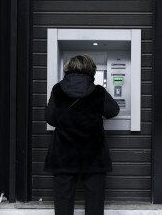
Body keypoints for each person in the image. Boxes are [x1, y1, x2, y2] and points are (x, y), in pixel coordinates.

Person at [44, 54, 120, 215]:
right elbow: (113, 111)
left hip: (64, 155)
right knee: (95, 205)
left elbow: (50, 118)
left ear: (68, 69)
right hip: (93, 156)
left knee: (63, 206)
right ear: (91, 70)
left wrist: (67, 121)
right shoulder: (99, 91)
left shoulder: (58, 89)